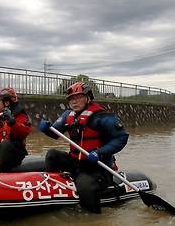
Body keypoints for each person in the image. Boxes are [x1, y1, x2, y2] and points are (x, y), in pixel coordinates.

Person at [38, 82, 129, 213]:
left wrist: (100, 152)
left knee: (84, 185)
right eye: (71, 99)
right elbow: (55, 133)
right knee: (52, 155)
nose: (74, 102)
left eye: (78, 97)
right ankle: (52, 191)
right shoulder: (68, 116)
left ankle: (93, 221)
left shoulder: (102, 117)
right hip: (76, 162)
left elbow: (121, 137)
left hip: (97, 166)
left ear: (88, 98)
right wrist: (46, 129)